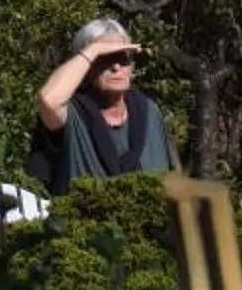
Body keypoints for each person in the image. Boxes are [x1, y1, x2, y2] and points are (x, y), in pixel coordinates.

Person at [26, 16, 175, 196]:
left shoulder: (148, 111)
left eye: (123, 57)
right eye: (104, 58)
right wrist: (93, 50)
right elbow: (49, 100)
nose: (116, 66)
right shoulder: (72, 114)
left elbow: (173, 177)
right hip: (83, 222)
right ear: (85, 67)